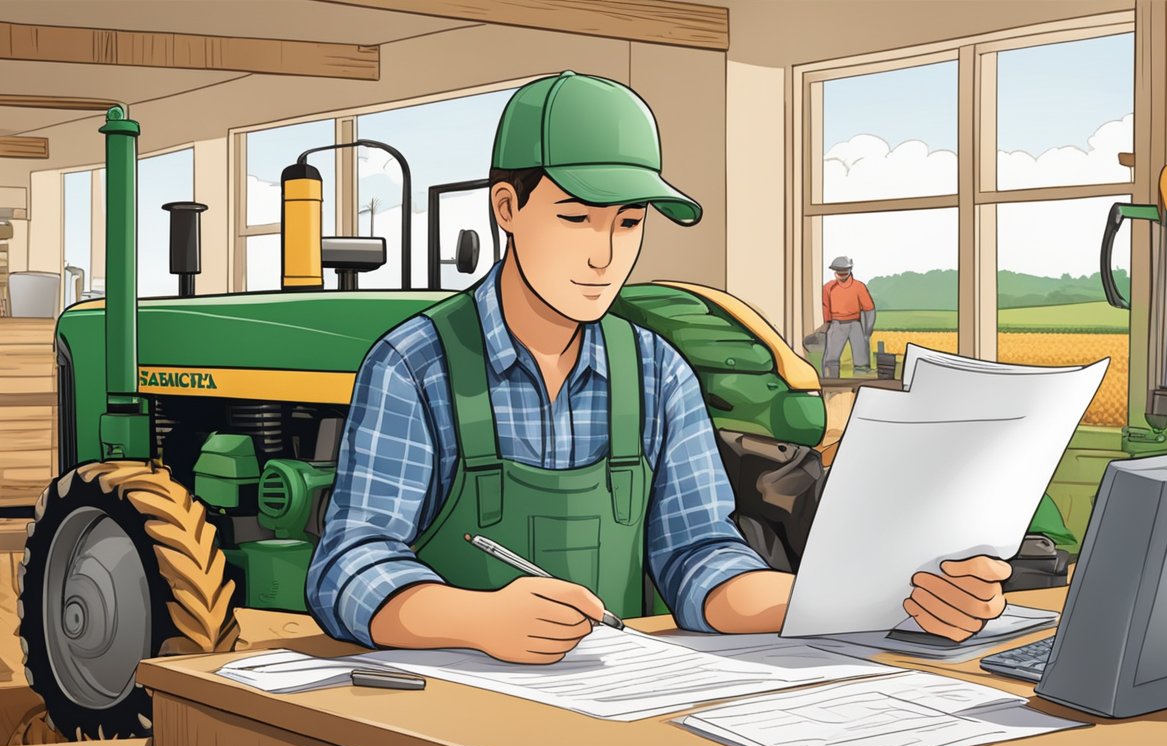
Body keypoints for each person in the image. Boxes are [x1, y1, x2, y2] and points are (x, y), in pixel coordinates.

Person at [306, 71, 1011, 663]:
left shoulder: (656, 371)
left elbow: (704, 564)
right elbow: (351, 567)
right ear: (507, 207)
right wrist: (477, 621)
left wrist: (879, 598)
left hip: (613, 695)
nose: (604, 255)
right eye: (577, 219)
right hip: (448, 701)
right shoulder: (415, 365)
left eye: (629, 223)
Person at [821, 256, 877, 378]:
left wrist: (867, 331)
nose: (841, 273)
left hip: (855, 325)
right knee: (831, 358)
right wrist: (827, 324)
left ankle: (861, 384)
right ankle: (830, 383)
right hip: (836, 325)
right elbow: (826, 308)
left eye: (844, 270)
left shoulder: (859, 287)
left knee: (861, 360)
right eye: (838, 270)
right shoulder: (828, 288)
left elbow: (869, 309)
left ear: (850, 270)